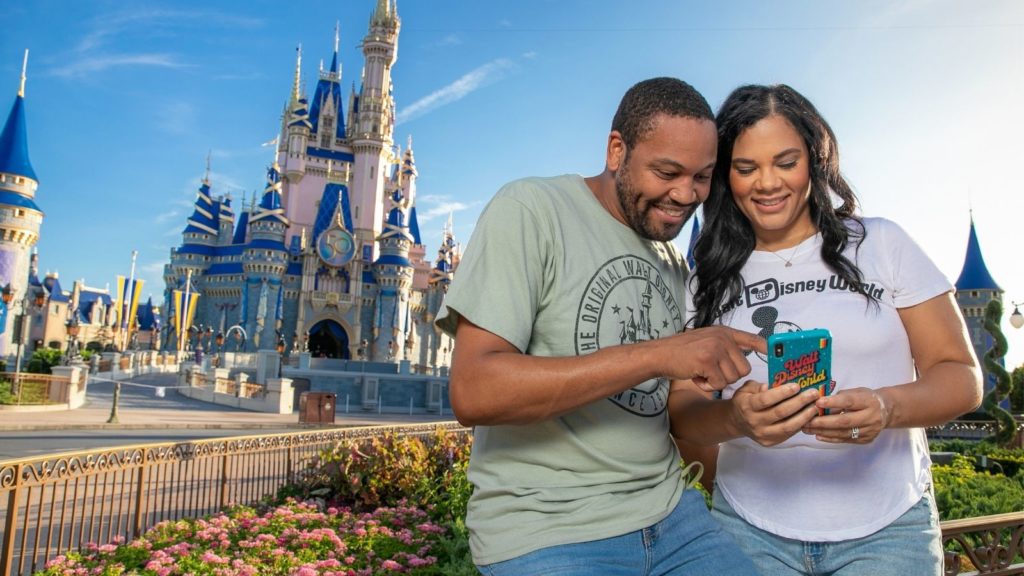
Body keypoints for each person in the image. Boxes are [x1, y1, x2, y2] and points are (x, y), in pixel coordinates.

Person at [435, 77, 763, 575]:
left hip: (672, 516)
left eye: (702, 176)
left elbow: (678, 413)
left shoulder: (674, 263)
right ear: (616, 150)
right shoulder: (531, 210)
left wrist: (739, 417)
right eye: (667, 171)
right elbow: (474, 392)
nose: (685, 194)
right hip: (546, 529)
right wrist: (657, 354)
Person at [669, 84, 982, 576]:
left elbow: (962, 376)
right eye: (746, 168)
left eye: (786, 162)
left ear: (816, 160)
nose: (767, 183)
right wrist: (737, 419)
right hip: (748, 531)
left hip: (888, 531)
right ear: (725, 175)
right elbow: (683, 413)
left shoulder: (882, 242)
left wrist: (885, 407)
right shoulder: (706, 278)